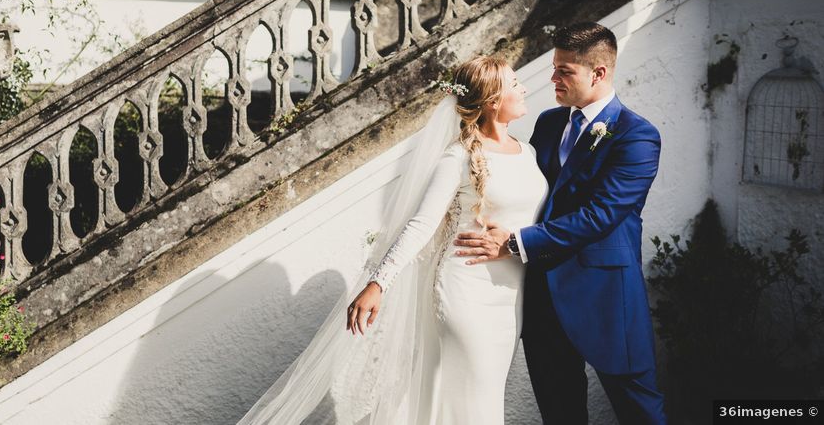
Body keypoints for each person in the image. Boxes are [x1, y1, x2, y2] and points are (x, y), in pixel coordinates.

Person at [238, 55, 548, 424]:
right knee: (478, 403)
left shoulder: (527, 151)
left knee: (479, 395)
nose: (524, 87)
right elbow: (421, 224)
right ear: (493, 100)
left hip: (510, 295)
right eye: (515, 84)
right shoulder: (459, 155)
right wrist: (378, 282)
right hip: (467, 290)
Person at [454, 22, 668, 424]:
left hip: (607, 297)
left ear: (598, 73)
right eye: (554, 67)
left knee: (641, 411)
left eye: (564, 70)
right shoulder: (550, 124)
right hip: (544, 297)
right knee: (560, 413)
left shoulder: (637, 137)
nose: (552, 78)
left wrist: (515, 241)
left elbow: (601, 214)